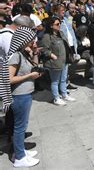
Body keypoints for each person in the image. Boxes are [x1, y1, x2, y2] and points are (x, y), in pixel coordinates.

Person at [7, 27, 41, 167]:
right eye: (31, 39)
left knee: (22, 125)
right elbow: (9, 79)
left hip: (25, 94)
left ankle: (20, 151)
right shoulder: (15, 55)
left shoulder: (23, 53)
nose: (33, 41)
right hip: (19, 95)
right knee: (20, 127)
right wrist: (29, 76)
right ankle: (20, 157)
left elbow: (35, 66)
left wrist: (34, 53)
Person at [40, 16, 77, 106]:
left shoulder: (61, 33)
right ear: (51, 26)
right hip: (55, 62)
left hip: (64, 60)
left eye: (59, 23)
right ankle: (56, 98)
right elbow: (44, 49)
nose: (59, 25)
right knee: (55, 81)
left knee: (64, 79)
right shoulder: (47, 36)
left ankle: (64, 94)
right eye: (57, 24)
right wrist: (52, 55)